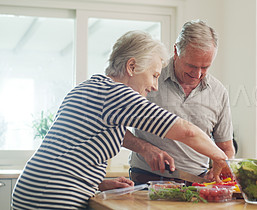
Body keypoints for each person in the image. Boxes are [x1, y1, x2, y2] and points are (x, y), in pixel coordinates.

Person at [11, 30, 228, 209]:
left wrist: (99, 183)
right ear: (131, 67)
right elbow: (186, 131)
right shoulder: (117, 94)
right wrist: (221, 158)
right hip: (51, 198)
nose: (154, 85)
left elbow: (70, 154)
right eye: (153, 75)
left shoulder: (90, 87)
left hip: (34, 191)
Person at [128, 20, 235, 184]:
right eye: (191, 66)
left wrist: (218, 169)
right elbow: (114, 127)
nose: (198, 74)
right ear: (176, 51)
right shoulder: (149, 78)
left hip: (197, 183)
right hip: (146, 179)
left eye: (205, 67)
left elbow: (226, 148)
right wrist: (144, 148)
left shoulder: (218, 92)